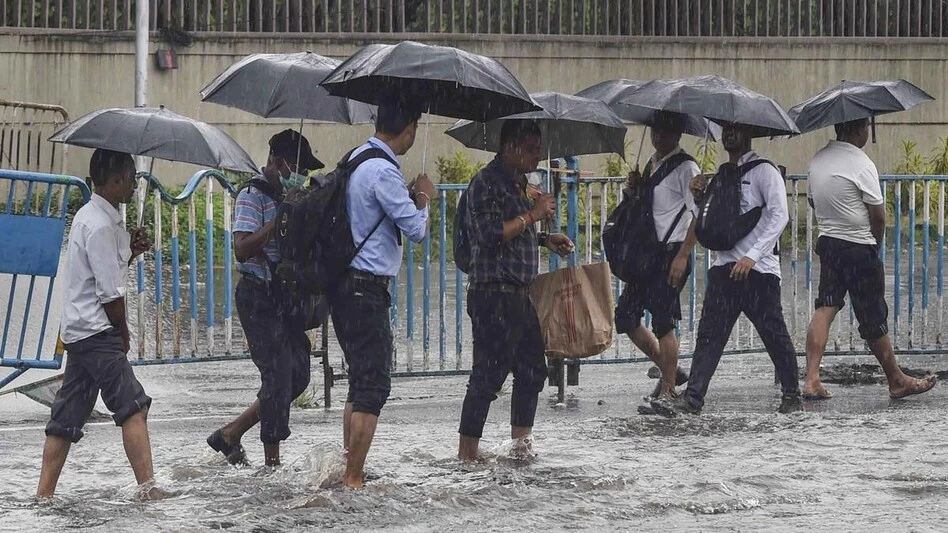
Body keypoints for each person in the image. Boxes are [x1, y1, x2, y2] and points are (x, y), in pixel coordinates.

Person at [651, 122, 802, 416]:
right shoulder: (720, 175)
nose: (730, 134)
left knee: (774, 334)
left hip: (758, 272)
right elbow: (710, 221)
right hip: (724, 268)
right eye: (726, 129)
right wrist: (698, 197)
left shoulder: (764, 171)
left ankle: (792, 394)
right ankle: (693, 398)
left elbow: (779, 216)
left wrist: (753, 256)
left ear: (749, 134)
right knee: (710, 335)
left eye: (737, 129)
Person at [37, 149, 161, 500]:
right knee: (134, 407)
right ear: (117, 180)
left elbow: (104, 268)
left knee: (65, 419)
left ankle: (43, 494)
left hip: (79, 333)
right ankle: (149, 490)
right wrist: (122, 335)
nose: (136, 185)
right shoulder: (103, 225)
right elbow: (110, 295)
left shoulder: (89, 216)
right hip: (97, 332)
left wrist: (132, 250)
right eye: (132, 178)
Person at [329, 98, 434, 489]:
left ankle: (348, 468)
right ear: (408, 129)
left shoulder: (357, 157)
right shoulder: (383, 170)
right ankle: (353, 478)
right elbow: (417, 230)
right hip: (366, 290)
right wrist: (424, 196)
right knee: (373, 385)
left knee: (360, 381)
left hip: (344, 286)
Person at [458, 119, 575, 462]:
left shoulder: (519, 183)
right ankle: (467, 452)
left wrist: (543, 238)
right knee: (488, 374)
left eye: (539, 147)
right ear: (509, 147)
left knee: (531, 370)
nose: (537, 155)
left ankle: (521, 446)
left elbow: (515, 230)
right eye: (530, 148)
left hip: (519, 292)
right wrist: (533, 215)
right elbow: (489, 234)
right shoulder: (486, 183)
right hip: (492, 291)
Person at [206, 129, 323, 468]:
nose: (301, 174)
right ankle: (273, 463)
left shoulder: (291, 194)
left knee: (298, 374)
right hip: (258, 296)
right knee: (278, 374)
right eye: (297, 167)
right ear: (277, 161)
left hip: (285, 297)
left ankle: (231, 433)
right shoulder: (252, 195)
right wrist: (279, 218)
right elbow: (241, 249)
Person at [802, 118, 936, 400]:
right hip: (858, 246)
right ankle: (896, 379)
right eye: (865, 128)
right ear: (858, 128)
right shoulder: (861, 164)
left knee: (825, 307)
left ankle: (812, 378)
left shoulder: (817, 160)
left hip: (829, 244)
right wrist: (873, 246)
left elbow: (813, 201)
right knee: (873, 317)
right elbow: (878, 216)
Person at [617, 113, 700, 401]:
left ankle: (668, 388)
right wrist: (636, 187)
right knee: (626, 317)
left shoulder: (686, 168)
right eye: (655, 131)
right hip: (646, 254)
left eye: (666, 131)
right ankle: (670, 369)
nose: (659, 137)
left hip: (671, 253)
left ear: (678, 134)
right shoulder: (652, 164)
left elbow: (698, 216)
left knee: (663, 322)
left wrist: (683, 255)